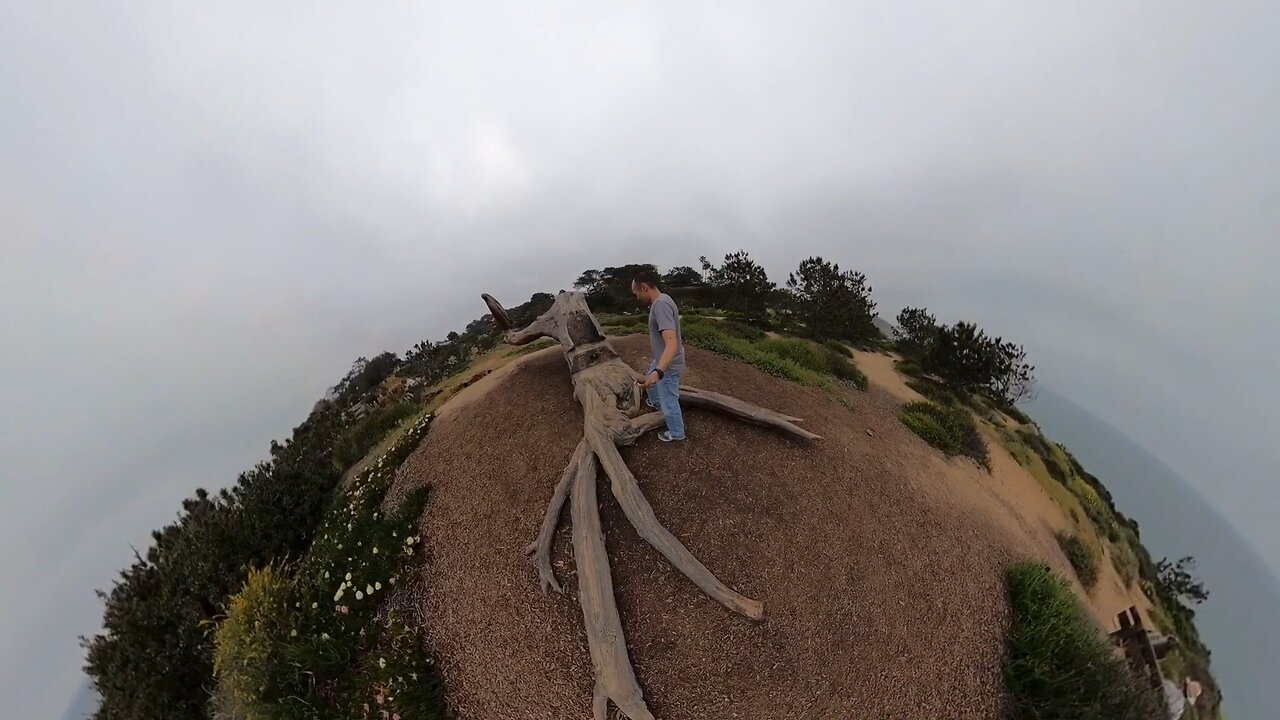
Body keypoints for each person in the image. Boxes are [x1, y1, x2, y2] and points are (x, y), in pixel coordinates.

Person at [631, 269, 686, 442]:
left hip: (668, 363)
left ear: (644, 287)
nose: (637, 297)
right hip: (662, 358)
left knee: (669, 400)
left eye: (636, 293)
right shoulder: (664, 299)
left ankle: (677, 433)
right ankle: (656, 403)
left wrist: (659, 371)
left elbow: (671, 342)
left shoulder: (660, 306)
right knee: (650, 381)